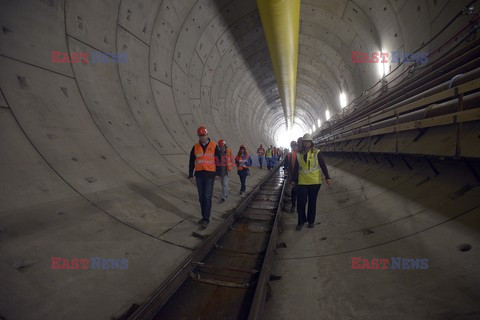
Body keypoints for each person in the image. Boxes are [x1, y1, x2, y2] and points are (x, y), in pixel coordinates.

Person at [291, 133, 332, 230]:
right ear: (302, 143)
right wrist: (293, 179)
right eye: (305, 141)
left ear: (311, 142)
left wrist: (327, 177)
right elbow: (296, 168)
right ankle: (301, 222)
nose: (306, 143)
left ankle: (311, 221)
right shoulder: (299, 154)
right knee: (301, 202)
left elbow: (323, 165)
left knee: (312, 202)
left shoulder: (317, 153)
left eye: (308, 141)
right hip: (302, 182)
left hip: (314, 182)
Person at [188, 126, 221, 227]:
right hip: (199, 175)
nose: (202, 137)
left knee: (207, 197)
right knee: (201, 198)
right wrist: (190, 174)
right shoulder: (195, 147)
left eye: (203, 135)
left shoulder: (214, 146)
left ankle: (206, 218)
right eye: (200, 136)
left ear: (207, 135)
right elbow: (191, 162)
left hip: (210, 175)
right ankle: (204, 217)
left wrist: (218, 173)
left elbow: (219, 160)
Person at [284, 140, 299, 213]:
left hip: (294, 176)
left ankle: (293, 206)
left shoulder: (289, 154)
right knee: (298, 192)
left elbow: (286, 166)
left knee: (294, 191)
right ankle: (296, 206)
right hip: (302, 176)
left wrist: (287, 174)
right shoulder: (302, 153)